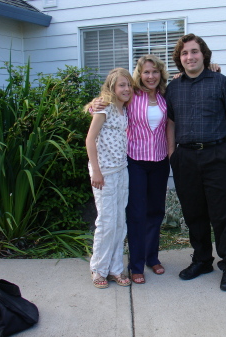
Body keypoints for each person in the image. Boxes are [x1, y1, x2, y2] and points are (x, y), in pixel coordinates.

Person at [166, 33, 226, 291]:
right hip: (185, 158)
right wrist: (172, 154)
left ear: (204, 54)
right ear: (180, 58)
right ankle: (201, 260)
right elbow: (170, 122)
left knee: (224, 215)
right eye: (185, 53)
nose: (190, 56)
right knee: (194, 214)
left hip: (218, 156)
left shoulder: (220, 81)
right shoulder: (173, 87)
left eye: (194, 51)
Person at [91, 55, 170, 285]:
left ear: (160, 74)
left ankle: (152, 257)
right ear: (139, 74)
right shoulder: (131, 96)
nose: (151, 76)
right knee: (136, 214)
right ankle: (136, 265)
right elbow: (108, 104)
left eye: (155, 72)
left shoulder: (166, 95)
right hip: (135, 162)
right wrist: (96, 104)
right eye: (146, 72)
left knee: (156, 211)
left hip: (159, 161)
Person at [85, 67, 133, 289]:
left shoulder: (125, 109)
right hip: (104, 173)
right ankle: (99, 268)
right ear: (112, 88)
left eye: (129, 84)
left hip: (122, 170)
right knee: (106, 222)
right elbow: (90, 140)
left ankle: (115, 268)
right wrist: (96, 170)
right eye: (121, 85)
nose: (126, 88)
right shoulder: (105, 108)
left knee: (119, 221)